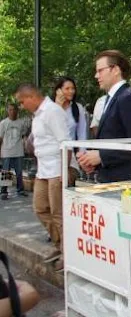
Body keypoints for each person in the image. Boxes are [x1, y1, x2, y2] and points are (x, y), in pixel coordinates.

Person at [15, 84, 70, 272]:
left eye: (22, 102)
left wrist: (64, 172)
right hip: (43, 170)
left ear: (31, 97)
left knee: (58, 212)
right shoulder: (38, 115)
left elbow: (65, 142)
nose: (21, 106)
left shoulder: (52, 111)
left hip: (56, 169)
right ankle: (59, 244)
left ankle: (67, 253)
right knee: (40, 208)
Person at [77, 50, 131, 182]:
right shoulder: (113, 98)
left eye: (100, 70)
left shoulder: (128, 98)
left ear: (116, 70)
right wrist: (93, 160)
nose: (96, 75)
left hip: (130, 183)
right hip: (115, 179)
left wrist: (101, 156)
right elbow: (114, 138)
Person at [52, 77, 88, 185]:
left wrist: (82, 155)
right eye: (67, 88)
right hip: (51, 153)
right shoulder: (50, 107)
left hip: (69, 154)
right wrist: (58, 106)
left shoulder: (78, 108)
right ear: (58, 90)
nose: (71, 91)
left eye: (73, 88)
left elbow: (82, 133)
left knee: (67, 179)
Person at [0, 103, 28, 199]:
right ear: (8, 111)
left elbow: (24, 135)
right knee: (6, 172)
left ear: (17, 111)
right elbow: (0, 138)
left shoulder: (21, 122)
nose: (12, 111)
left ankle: (20, 190)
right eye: (10, 109)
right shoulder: (3, 123)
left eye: (14, 109)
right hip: (6, 151)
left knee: (19, 172)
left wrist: (25, 143)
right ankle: (4, 192)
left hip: (18, 150)